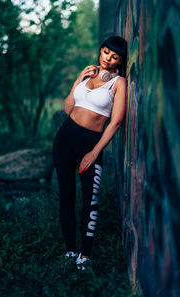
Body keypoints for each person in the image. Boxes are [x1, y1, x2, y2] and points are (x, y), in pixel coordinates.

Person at [52, 35, 127, 272]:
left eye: (114, 56)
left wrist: (95, 153)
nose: (107, 58)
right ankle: (70, 250)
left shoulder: (118, 83)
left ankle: (85, 256)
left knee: (90, 201)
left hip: (90, 143)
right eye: (106, 52)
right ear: (101, 51)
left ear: (119, 61)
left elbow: (115, 122)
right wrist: (77, 80)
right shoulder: (89, 75)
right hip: (64, 139)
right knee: (66, 195)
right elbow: (68, 108)